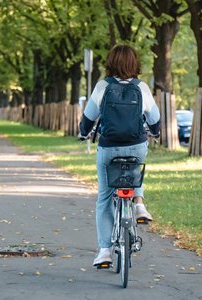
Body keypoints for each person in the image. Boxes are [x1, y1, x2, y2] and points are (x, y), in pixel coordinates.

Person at [78, 45, 161, 267]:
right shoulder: (141, 87)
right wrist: (155, 132)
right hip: (136, 145)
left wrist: (83, 133)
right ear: (135, 63)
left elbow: (88, 118)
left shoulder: (102, 86)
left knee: (105, 198)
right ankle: (139, 204)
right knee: (136, 170)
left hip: (109, 147)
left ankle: (105, 250)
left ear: (110, 63)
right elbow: (154, 117)